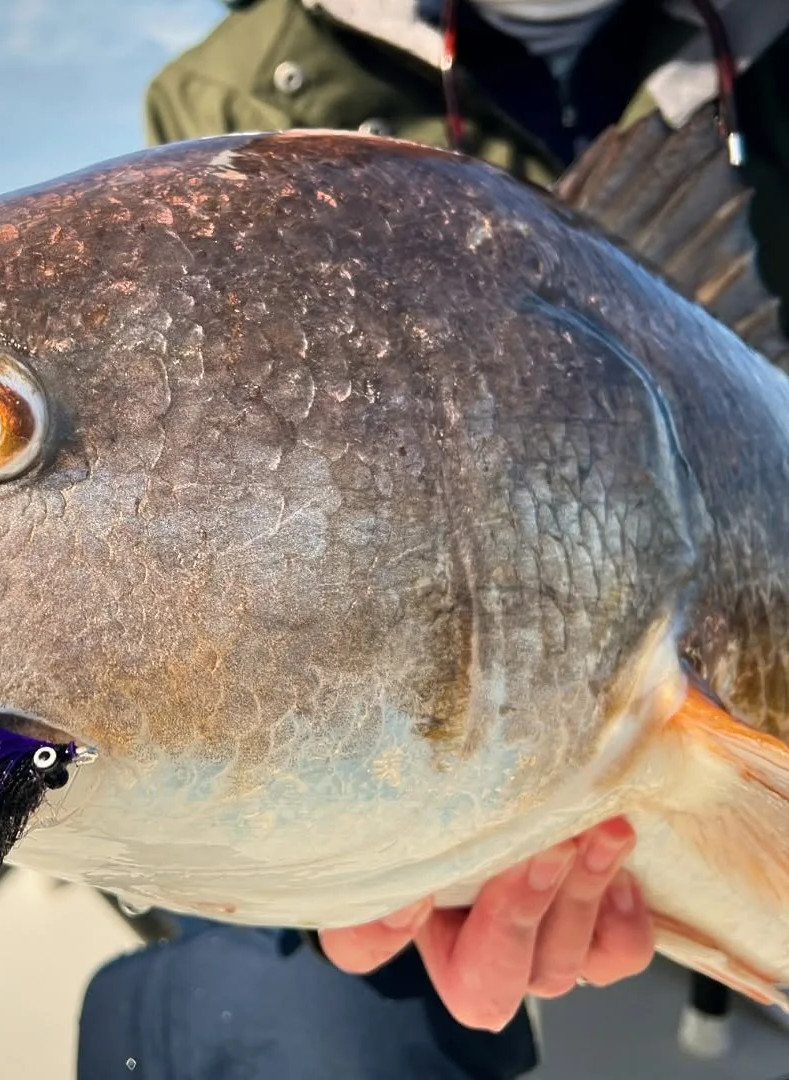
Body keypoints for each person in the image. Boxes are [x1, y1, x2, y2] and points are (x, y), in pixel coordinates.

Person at [76, 3, 789, 1077]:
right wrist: (337, 862)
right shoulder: (235, 83)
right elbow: (164, 488)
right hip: (362, 716)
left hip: (706, 688)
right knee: (287, 1031)